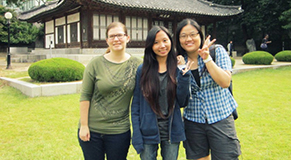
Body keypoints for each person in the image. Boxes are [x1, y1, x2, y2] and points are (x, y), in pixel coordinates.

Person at [175, 19, 241, 160]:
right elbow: (180, 95)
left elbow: (225, 82)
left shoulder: (217, 51)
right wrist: (180, 70)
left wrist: (207, 59)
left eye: (193, 34)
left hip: (220, 117)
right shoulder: (179, 61)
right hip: (193, 120)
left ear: (200, 35)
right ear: (178, 39)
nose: (188, 39)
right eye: (183, 36)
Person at [78, 21, 142, 160]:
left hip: (119, 131)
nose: (116, 39)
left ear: (127, 38)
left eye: (120, 35)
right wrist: (84, 126)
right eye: (112, 36)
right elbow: (85, 96)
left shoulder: (138, 65)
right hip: (92, 130)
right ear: (107, 40)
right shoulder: (95, 64)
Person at [131, 26, 192, 160]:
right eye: (156, 42)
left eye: (165, 40)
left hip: (171, 129)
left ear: (171, 41)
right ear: (150, 46)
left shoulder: (178, 67)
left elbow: (183, 102)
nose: (162, 46)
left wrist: (184, 75)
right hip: (148, 129)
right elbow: (136, 105)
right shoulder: (143, 70)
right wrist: (136, 132)